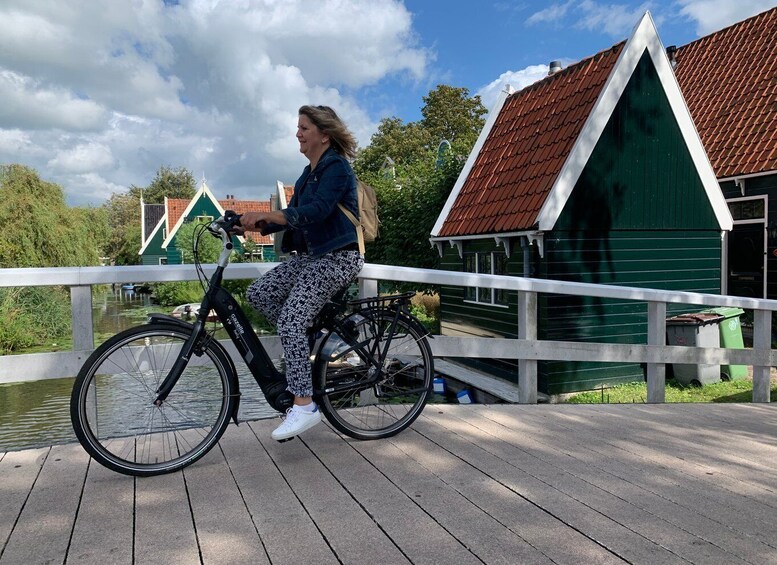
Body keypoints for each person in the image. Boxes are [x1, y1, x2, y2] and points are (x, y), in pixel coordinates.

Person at [239, 105, 364, 441]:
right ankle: (303, 343)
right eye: (298, 127)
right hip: (311, 258)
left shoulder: (336, 167)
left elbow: (318, 210)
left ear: (324, 135)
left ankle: (305, 404)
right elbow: (294, 216)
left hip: (338, 257)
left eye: (304, 127)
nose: (298, 133)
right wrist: (249, 224)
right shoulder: (306, 174)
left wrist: (272, 215)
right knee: (259, 294)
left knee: (290, 321)